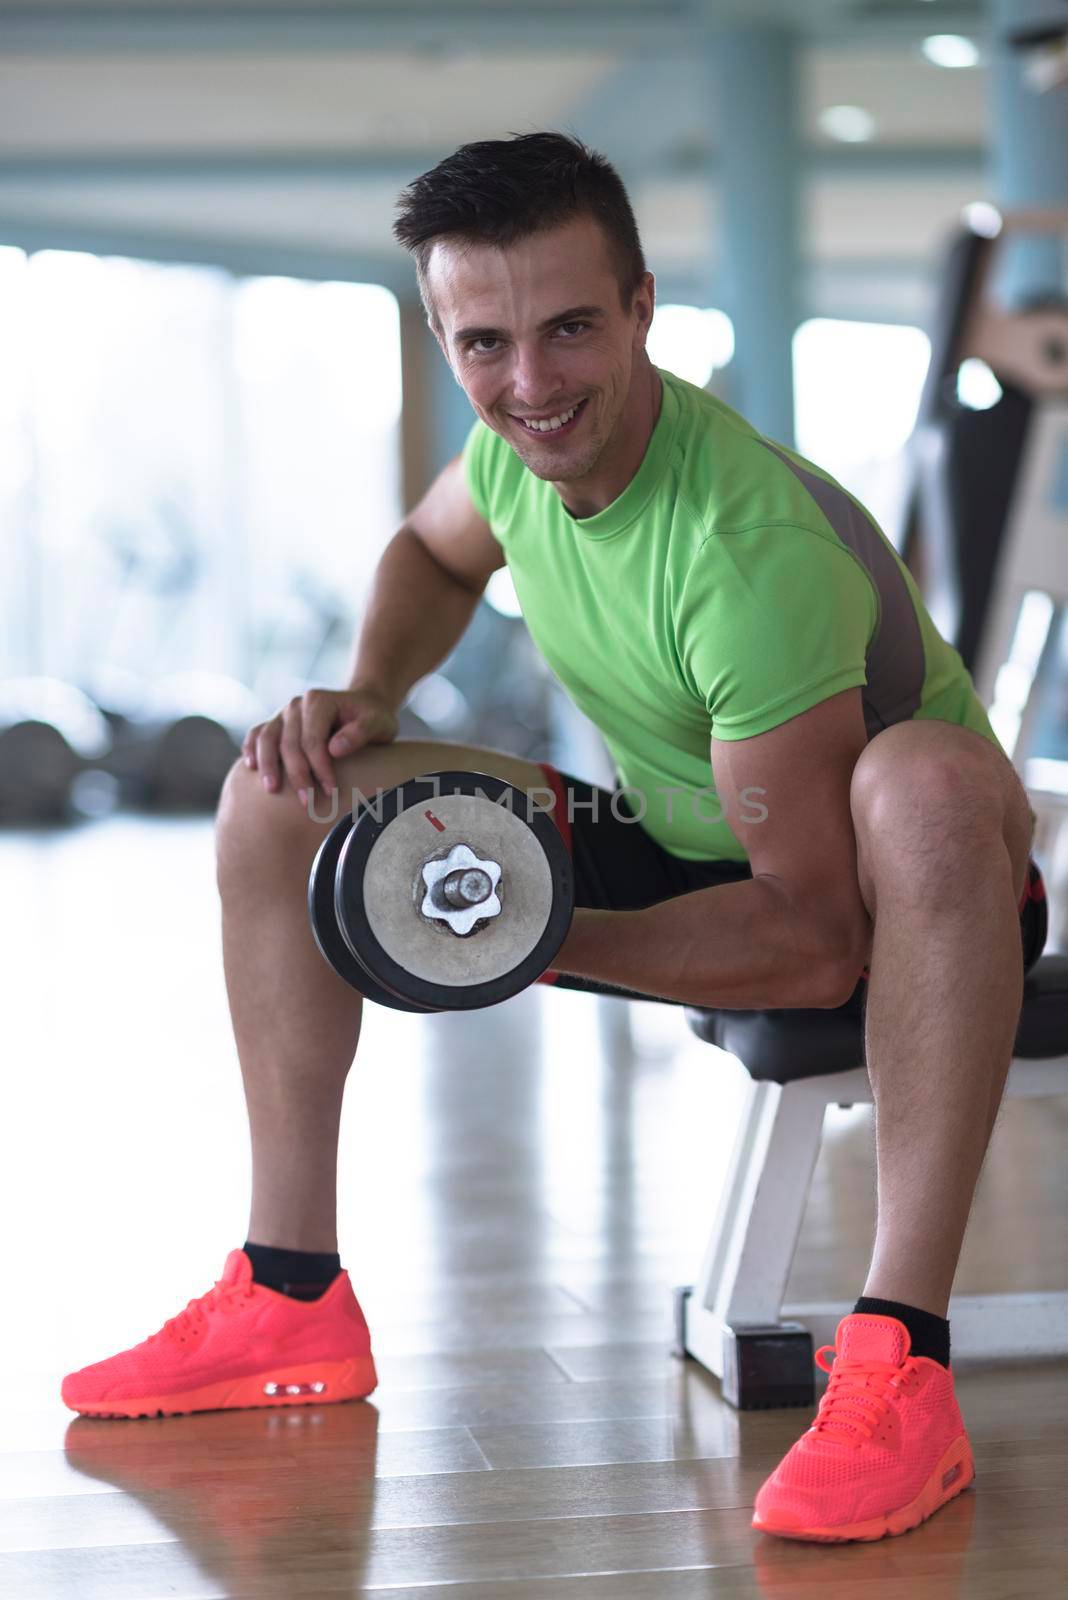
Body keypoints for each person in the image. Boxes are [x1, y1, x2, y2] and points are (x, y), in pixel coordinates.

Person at [62, 132, 1046, 1545]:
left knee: (930, 786)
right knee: (285, 792)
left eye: (574, 328)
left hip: (904, 897)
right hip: (688, 832)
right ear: (443, 332)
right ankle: (289, 1293)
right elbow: (431, 551)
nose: (533, 386)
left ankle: (901, 1367)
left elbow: (818, 941)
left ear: (642, 305)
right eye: (487, 342)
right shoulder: (512, 452)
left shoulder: (743, 553)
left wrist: (520, 934)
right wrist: (369, 694)